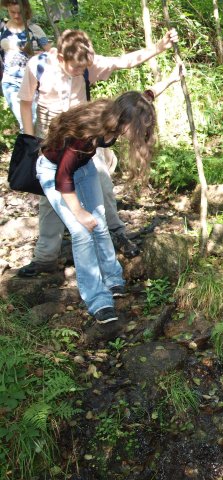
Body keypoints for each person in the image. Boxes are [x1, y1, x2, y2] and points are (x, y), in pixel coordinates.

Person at [17, 28, 178, 277]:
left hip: (91, 133)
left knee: (103, 185)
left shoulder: (89, 69)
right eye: (76, 67)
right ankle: (45, 257)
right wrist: (30, 141)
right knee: (51, 197)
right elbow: (25, 102)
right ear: (60, 57)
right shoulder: (38, 66)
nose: (81, 71)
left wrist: (160, 50)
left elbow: (125, 64)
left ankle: (116, 233)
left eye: (85, 67)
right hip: (54, 136)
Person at [36, 71, 181, 324]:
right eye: (139, 128)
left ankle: (113, 279)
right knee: (82, 231)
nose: (141, 132)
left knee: (100, 223)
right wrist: (79, 212)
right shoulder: (87, 132)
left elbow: (146, 96)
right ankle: (98, 301)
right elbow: (63, 178)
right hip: (54, 171)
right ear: (126, 121)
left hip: (84, 167)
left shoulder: (123, 111)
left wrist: (171, 79)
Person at [0, 0, 49, 130]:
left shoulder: (34, 29)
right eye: (12, 12)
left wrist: (39, 55)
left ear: (26, 10)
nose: (16, 16)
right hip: (11, 82)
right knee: (26, 122)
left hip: (32, 82)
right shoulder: (2, 29)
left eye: (19, 12)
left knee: (36, 122)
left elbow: (51, 53)